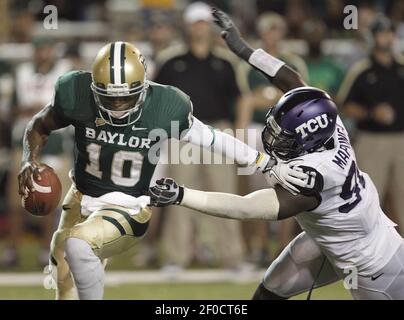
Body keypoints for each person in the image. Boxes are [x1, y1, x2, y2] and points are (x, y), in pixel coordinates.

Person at [149, 8, 404, 300]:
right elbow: (289, 77)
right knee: (266, 295)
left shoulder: (312, 178)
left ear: (308, 139)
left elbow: (243, 208)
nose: (275, 135)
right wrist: (244, 49)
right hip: (330, 237)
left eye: (285, 134)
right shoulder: (326, 120)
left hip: (373, 266)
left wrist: (182, 195)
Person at [17, 41, 301, 300]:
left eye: (125, 98)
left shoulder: (164, 106)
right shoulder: (75, 92)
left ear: (143, 86)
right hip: (80, 196)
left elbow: (215, 138)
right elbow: (39, 125)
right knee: (62, 274)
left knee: (77, 246)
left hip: (128, 205)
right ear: (94, 87)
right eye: (109, 97)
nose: (117, 106)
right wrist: (29, 159)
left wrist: (264, 162)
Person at [155, 2, 246, 270]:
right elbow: (156, 99)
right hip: (181, 133)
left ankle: (233, 258)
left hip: (217, 131)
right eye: (195, 22)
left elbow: (241, 99)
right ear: (187, 25)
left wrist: (238, 134)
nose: (199, 27)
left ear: (210, 26)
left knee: (226, 197)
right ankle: (176, 258)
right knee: (179, 195)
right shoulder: (171, 62)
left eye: (203, 22)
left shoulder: (226, 62)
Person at [2, 37, 72, 267]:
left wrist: (46, 110)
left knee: (50, 201)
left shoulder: (64, 72)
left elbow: (70, 108)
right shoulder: (21, 72)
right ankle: (12, 249)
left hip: (54, 142)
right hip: (24, 143)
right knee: (16, 200)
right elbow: (10, 108)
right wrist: (24, 109)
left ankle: (46, 250)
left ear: (53, 50)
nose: (43, 53)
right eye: (39, 48)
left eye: (47, 48)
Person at [338, 15, 404, 236]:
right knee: (369, 197)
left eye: (389, 32)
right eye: (381, 33)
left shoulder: (402, 68)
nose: (386, 38)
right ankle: (369, 252)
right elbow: (345, 105)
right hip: (372, 139)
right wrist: (370, 112)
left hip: (401, 138)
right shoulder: (362, 70)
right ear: (373, 37)